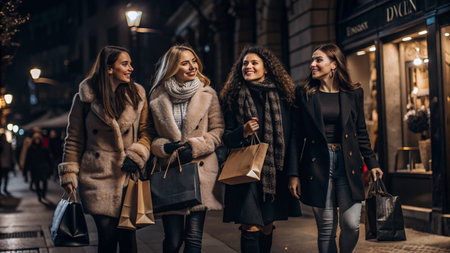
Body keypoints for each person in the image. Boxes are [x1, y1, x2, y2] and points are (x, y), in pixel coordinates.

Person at [287, 43, 384, 253]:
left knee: (351, 225)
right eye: (312, 60)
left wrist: (372, 162)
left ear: (334, 64)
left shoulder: (354, 93)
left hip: (348, 163)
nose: (312, 64)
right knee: (326, 228)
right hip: (316, 164)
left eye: (318, 60)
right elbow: (296, 136)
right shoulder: (304, 93)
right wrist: (293, 174)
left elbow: (360, 132)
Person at [58, 46, 152, 253]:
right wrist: (69, 174)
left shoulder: (138, 95)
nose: (130, 68)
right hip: (96, 176)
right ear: (109, 68)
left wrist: (137, 154)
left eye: (130, 63)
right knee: (106, 236)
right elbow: (73, 139)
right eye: (125, 64)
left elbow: (146, 132)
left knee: (128, 238)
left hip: (128, 175)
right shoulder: (84, 98)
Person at [220, 46, 301, 253]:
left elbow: (292, 138)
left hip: (274, 172)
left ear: (266, 68)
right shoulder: (233, 97)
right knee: (250, 226)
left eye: (254, 63)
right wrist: (243, 131)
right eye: (245, 63)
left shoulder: (284, 97)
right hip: (246, 173)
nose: (248, 66)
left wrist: (293, 174)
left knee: (266, 227)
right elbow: (226, 138)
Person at [148, 44, 224, 253]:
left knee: (193, 238)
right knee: (173, 241)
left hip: (200, 172)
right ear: (173, 67)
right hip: (171, 172)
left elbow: (218, 131)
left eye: (193, 61)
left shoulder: (208, 93)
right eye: (184, 63)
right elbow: (151, 135)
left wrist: (195, 146)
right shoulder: (157, 96)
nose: (192, 66)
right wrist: (163, 147)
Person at [24, 133, 52, 201]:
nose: (37, 140)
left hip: (43, 168)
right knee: (36, 183)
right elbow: (27, 160)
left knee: (44, 181)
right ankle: (39, 195)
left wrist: (50, 168)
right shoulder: (30, 149)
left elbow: (49, 159)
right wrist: (25, 171)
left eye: (38, 139)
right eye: (35, 139)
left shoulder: (44, 148)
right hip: (34, 169)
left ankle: (43, 194)